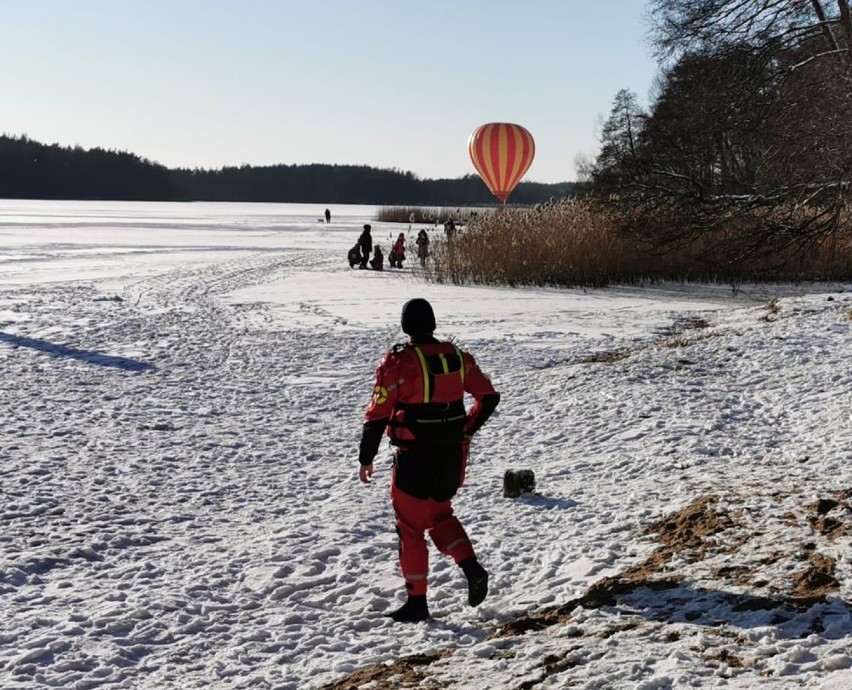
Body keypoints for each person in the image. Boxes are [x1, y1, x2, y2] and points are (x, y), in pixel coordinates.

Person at [358, 299, 501, 623]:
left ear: (407, 327)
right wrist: (466, 430)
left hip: (415, 460)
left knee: (410, 529)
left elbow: (377, 415)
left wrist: (366, 459)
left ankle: (417, 603)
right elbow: (489, 397)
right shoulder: (458, 357)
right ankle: (472, 568)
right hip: (451, 458)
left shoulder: (397, 363)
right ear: (433, 324)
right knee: (439, 514)